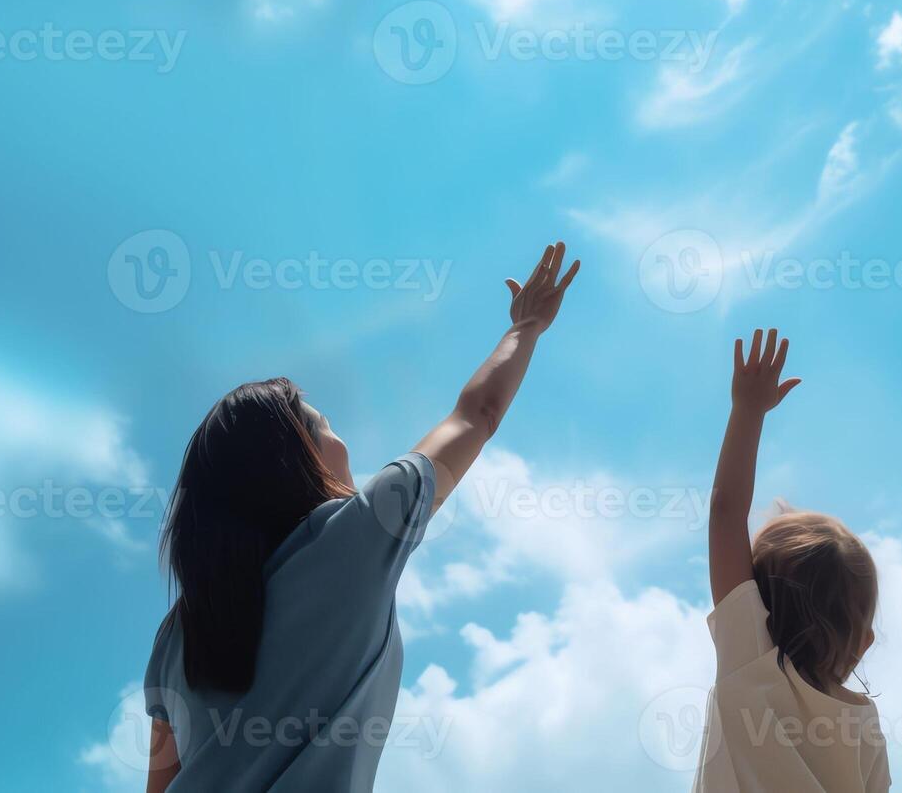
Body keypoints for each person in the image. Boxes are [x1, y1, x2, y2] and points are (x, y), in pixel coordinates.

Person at [142, 242, 579, 792]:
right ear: (296, 456)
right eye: (326, 425)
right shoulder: (356, 536)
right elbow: (477, 414)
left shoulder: (179, 630)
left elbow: (159, 785)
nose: (342, 439)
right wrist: (527, 327)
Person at [697, 328, 890, 792]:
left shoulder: (751, 660)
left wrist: (747, 410)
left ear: (752, 597)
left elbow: (726, 514)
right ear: (863, 642)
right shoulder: (864, 725)